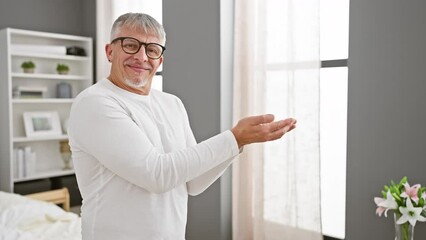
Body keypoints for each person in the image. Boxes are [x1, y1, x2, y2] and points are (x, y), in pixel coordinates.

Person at [68, 12, 296, 240]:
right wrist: (234, 138)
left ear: (160, 59)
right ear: (110, 51)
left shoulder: (172, 103)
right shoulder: (95, 103)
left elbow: (193, 183)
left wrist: (239, 143)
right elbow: (156, 175)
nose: (141, 56)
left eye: (152, 50)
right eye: (130, 45)